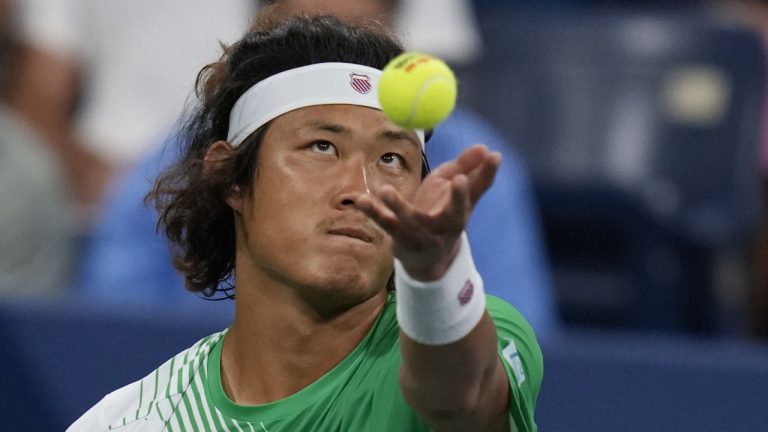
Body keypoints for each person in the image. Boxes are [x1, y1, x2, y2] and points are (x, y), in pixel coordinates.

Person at [67, 13, 542, 431]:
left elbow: (462, 400)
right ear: (231, 177)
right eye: (322, 147)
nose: (361, 188)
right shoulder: (130, 424)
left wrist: (435, 271)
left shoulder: (477, 331)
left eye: (392, 158)